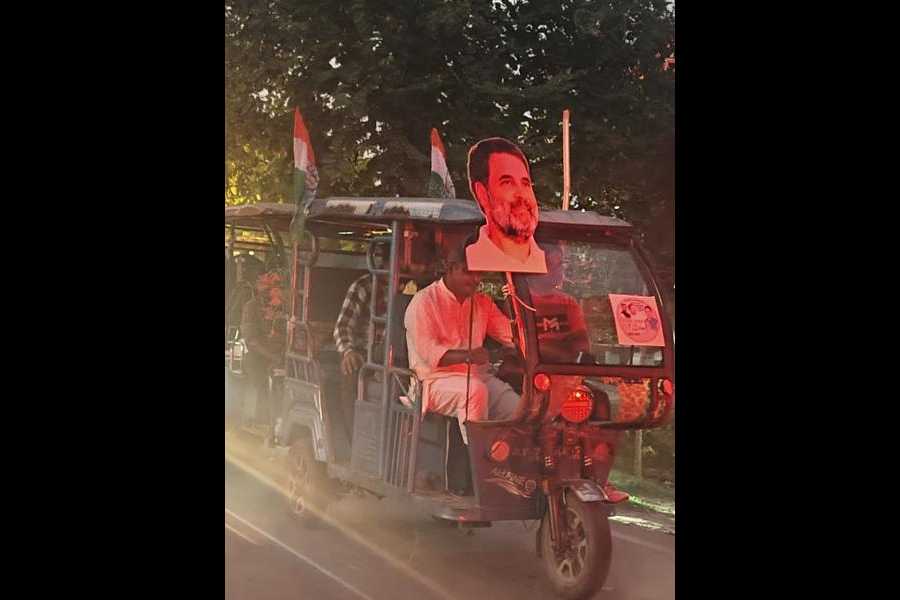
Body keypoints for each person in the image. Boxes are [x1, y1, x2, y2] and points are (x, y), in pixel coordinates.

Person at [404, 236, 520, 445]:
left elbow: (511, 336)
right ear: (450, 269)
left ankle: (508, 461)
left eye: (479, 273)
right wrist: (469, 356)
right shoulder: (423, 301)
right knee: (474, 391)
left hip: (478, 377)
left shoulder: (483, 302)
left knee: (516, 407)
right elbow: (431, 355)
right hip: (433, 382)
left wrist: (518, 316)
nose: (476, 279)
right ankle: (476, 458)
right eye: (468, 272)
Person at [465, 137, 546, 274]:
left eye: (525, 183)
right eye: (507, 183)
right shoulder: (467, 262)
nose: (521, 194)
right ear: (483, 194)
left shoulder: (554, 263)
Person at [527, 242, 591, 363]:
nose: (561, 269)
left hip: (562, 369)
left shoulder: (568, 303)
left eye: (561, 263)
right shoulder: (520, 301)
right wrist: (561, 347)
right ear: (536, 267)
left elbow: (582, 346)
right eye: (553, 264)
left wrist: (541, 346)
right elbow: (518, 347)